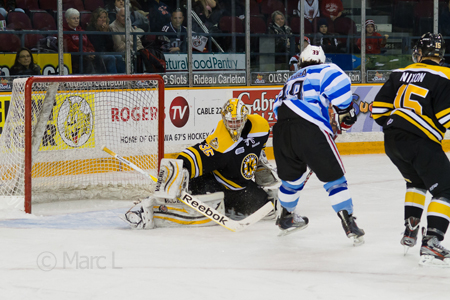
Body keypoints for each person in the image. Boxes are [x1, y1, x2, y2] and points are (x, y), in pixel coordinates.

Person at [123, 98, 279, 229]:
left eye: (238, 121)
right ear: (224, 119)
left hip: (240, 186)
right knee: (200, 211)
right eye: (230, 122)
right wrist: (178, 168)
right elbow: (195, 154)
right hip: (212, 183)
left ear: (246, 117)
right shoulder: (221, 141)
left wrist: (260, 163)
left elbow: (259, 147)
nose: (234, 126)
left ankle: (231, 205)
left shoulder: (261, 126)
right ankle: (150, 210)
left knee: (267, 207)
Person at [272, 45, 365, 244]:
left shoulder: (291, 79)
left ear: (301, 61)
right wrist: (346, 115)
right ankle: (349, 223)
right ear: (321, 60)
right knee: (334, 180)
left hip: (281, 132)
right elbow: (342, 90)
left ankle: (286, 217)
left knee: (292, 181)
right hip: (310, 129)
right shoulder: (326, 69)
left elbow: (276, 108)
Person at [372, 32, 450, 266]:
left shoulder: (399, 73)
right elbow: (446, 117)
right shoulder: (445, 75)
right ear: (440, 54)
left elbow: (378, 111)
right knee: (446, 190)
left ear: (420, 52)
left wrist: (400, 125)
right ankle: (432, 241)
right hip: (421, 142)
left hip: (393, 141)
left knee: (416, 183)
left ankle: (410, 230)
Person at [110, 7, 166, 73]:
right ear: (117, 16)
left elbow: (137, 40)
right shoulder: (113, 27)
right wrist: (134, 47)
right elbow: (119, 46)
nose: (125, 18)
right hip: (123, 54)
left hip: (133, 52)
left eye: (127, 16)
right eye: (122, 16)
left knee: (144, 53)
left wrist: (139, 49)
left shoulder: (128, 24)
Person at [63, 8, 106, 74]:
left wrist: (91, 51)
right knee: (85, 59)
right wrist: (85, 53)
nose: (76, 20)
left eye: (78, 18)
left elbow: (89, 44)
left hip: (84, 53)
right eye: (74, 18)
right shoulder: (64, 32)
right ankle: (89, 80)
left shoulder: (81, 31)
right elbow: (70, 47)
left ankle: (103, 79)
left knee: (98, 57)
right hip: (73, 55)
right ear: (67, 20)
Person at [86, 8, 125, 73]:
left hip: (107, 52)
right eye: (101, 17)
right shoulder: (91, 29)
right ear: (96, 19)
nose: (103, 20)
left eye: (105, 17)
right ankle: (113, 79)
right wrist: (103, 33)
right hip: (97, 52)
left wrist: (106, 32)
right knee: (111, 58)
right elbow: (97, 46)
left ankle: (123, 77)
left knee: (119, 57)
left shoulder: (107, 28)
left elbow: (110, 46)